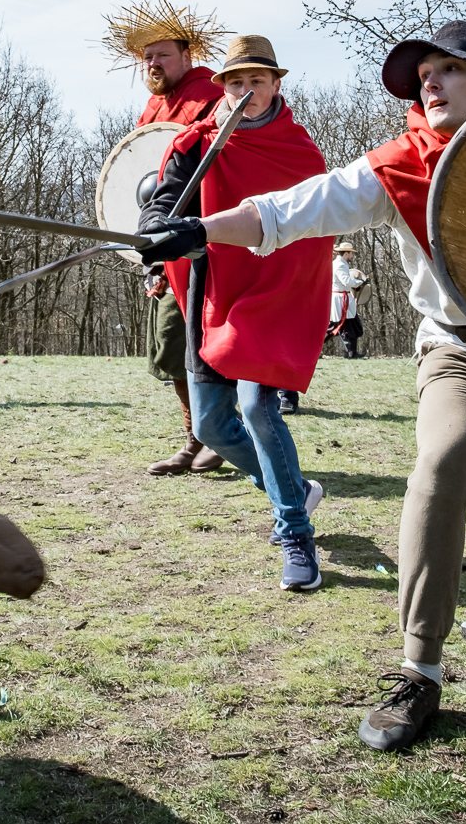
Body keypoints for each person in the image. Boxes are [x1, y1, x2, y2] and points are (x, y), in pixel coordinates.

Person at [146, 21, 466, 751]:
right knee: (438, 467)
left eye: (449, 69)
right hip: (461, 356)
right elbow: (292, 209)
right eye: (423, 73)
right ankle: (419, 669)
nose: (429, 81)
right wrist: (202, 230)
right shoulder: (397, 167)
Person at [139, 34, 332, 590]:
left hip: (273, 292)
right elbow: (165, 200)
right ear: (221, 87)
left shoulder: (298, 149)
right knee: (210, 425)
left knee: (257, 407)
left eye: (257, 81)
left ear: (275, 85)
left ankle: (295, 533)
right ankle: (293, 490)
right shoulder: (194, 144)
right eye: (236, 82)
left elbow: (317, 222)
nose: (246, 91)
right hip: (213, 290)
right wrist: (156, 231)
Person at [102, 0, 231, 476]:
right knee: (172, 345)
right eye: (148, 57)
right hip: (164, 248)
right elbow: (143, 178)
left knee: (211, 343)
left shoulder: (212, 96)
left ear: (187, 55)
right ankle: (196, 438)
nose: (153, 64)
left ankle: (223, 434)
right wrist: (149, 256)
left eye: (162, 54)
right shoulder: (152, 109)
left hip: (208, 240)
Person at [328, 241, 368, 359]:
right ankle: (351, 353)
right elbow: (346, 281)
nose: (352, 256)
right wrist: (361, 282)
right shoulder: (340, 265)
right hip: (341, 300)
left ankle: (351, 352)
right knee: (345, 326)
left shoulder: (341, 263)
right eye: (351, 253)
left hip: (343, 298)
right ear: (346, 253)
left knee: (351, 325)